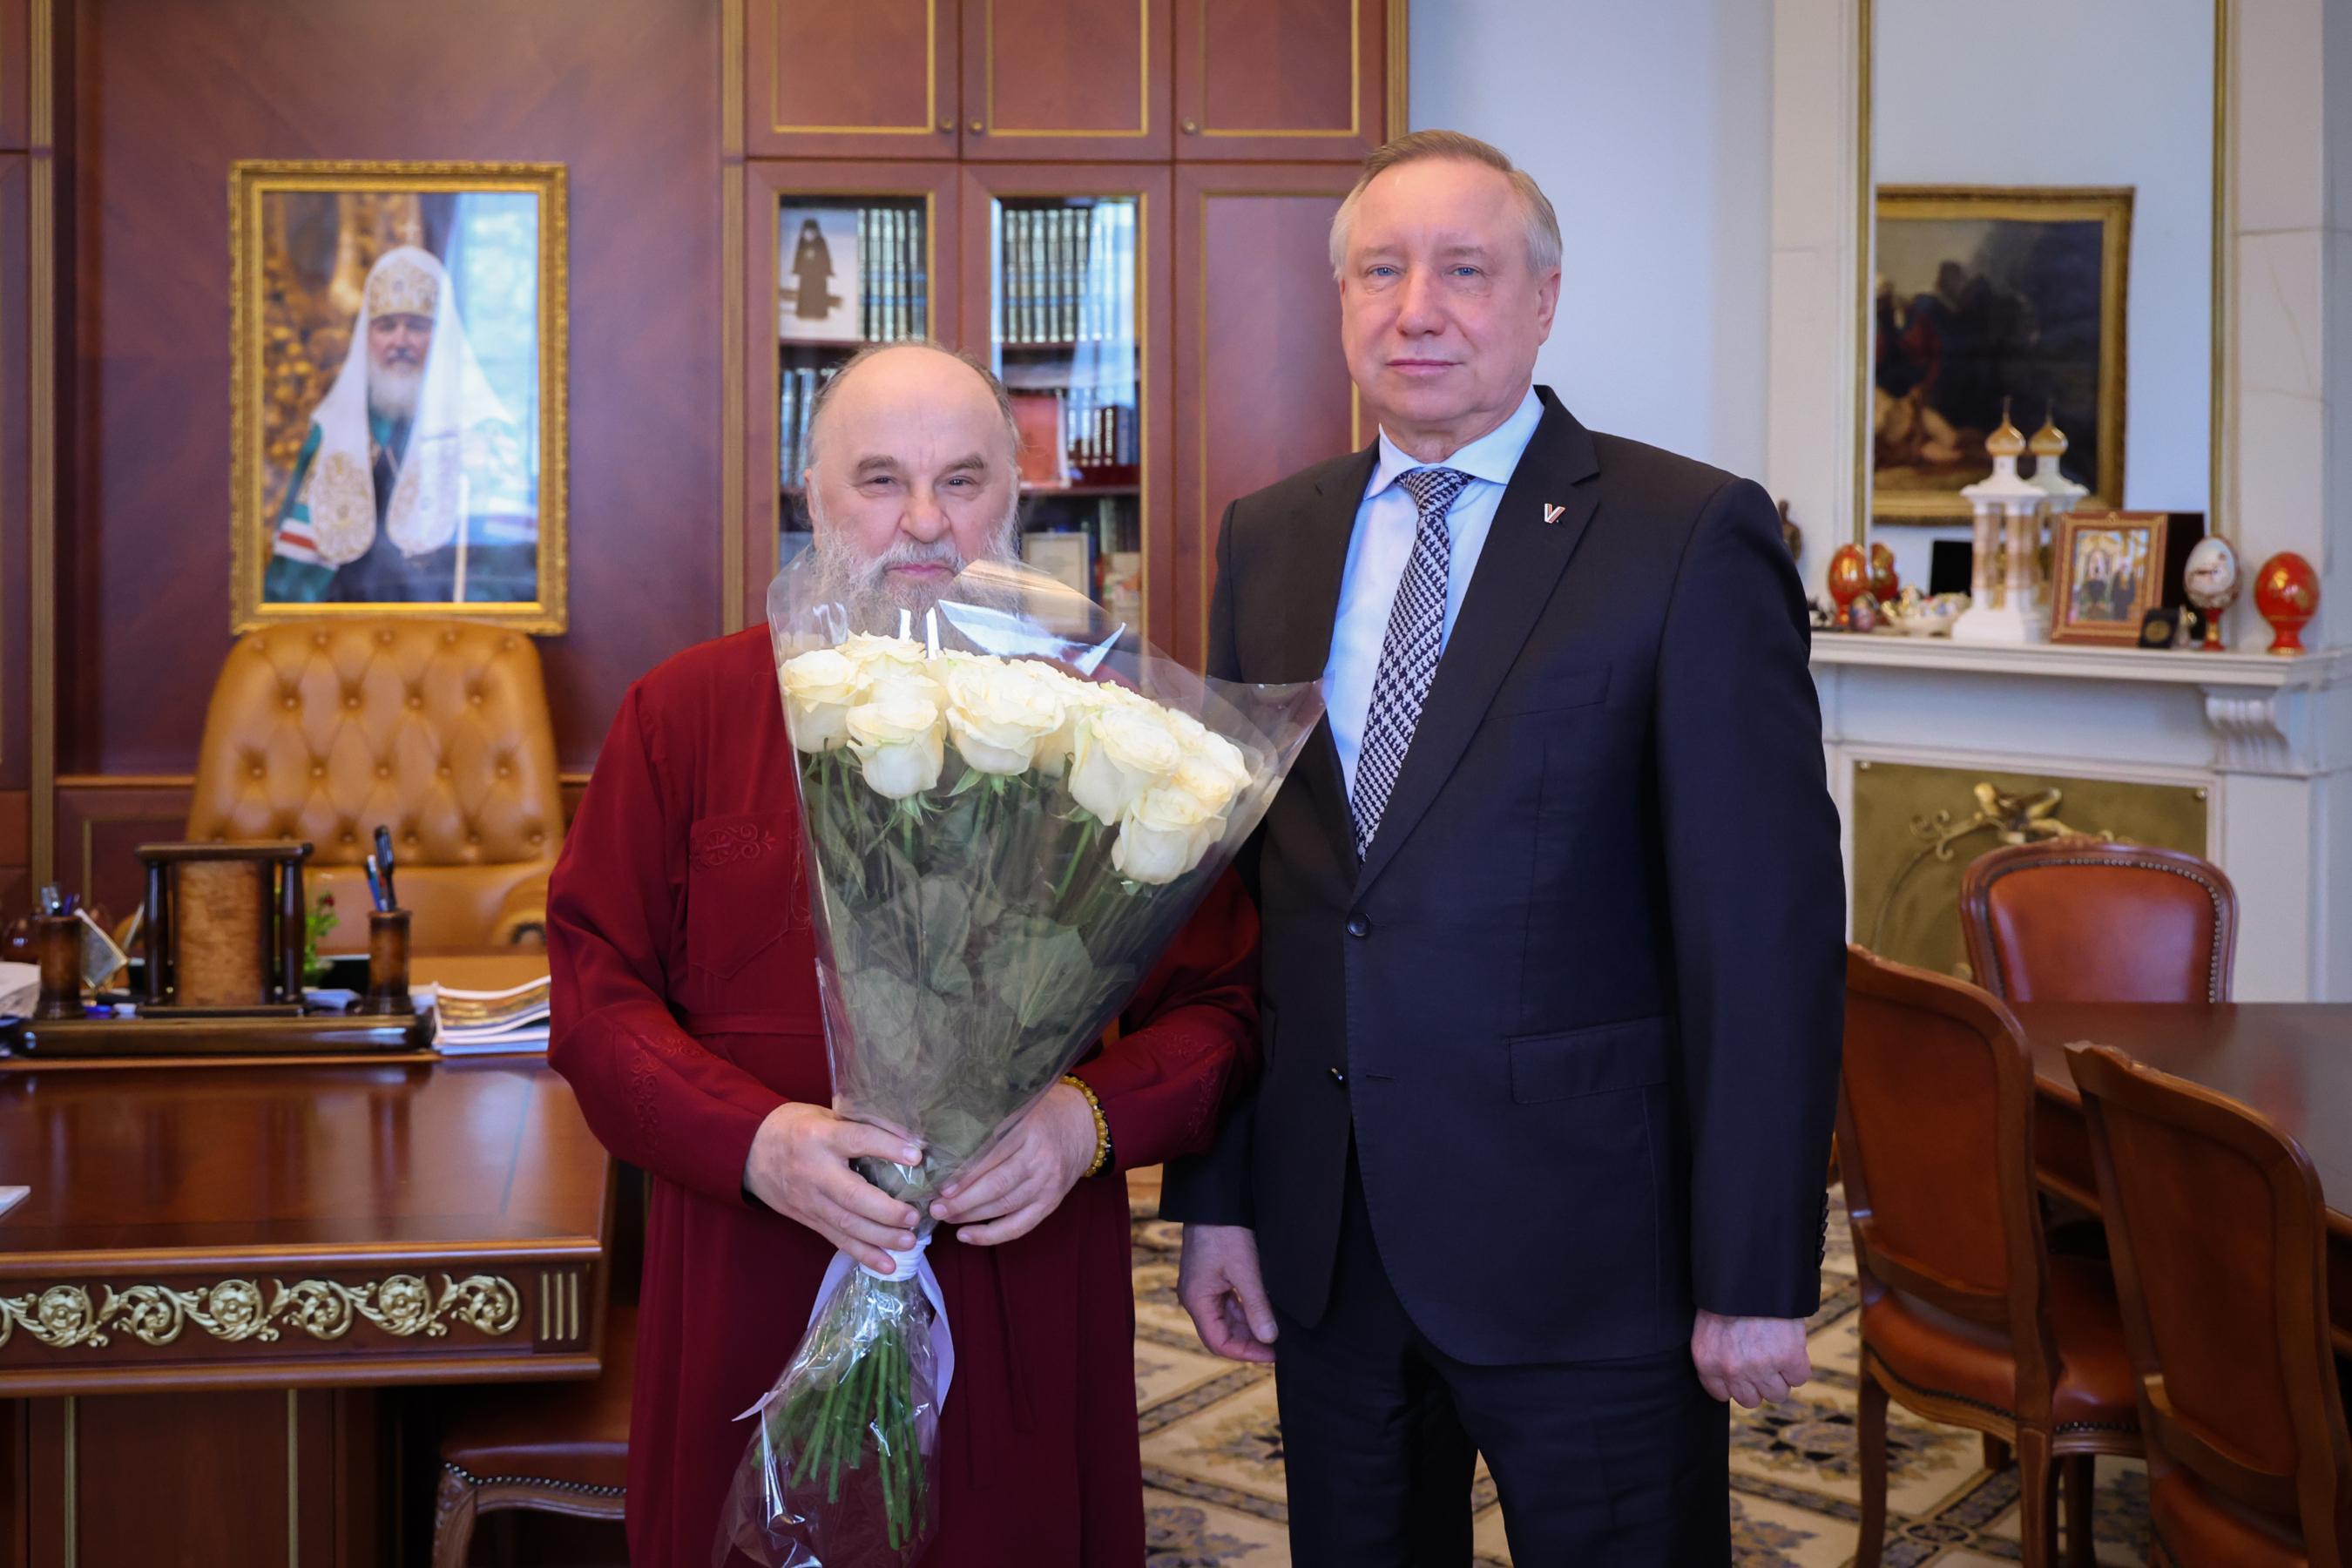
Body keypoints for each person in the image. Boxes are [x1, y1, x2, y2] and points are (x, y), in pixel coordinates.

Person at [1161, 131, 1845, 1565]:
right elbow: (1238, 907)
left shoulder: (1686, 535)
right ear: (1342, 301)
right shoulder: (1267, 539)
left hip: (1594, 1260)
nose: (1418, 309)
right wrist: (1218, 1205)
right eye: (1381, 271)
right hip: (1333, 1247)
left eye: (1464, 271)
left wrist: (1757, 1265)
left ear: (1543, 300)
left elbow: (1762, 932)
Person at [548, 341, 1260, 1567]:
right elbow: (594, 996)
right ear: (813, 495)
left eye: (962, 481)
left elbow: (1223, 1008)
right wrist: (752, 1140)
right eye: (880, 479)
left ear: (1015, 500)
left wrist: (1081, 1126)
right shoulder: (684, 713)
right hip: (755, 1257)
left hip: (1015, 1267)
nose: (924, 522)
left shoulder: (1118, 733)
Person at [265, 244, 536, 605]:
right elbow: (293, 578)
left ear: (441, 336)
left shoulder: (484, 433)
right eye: (386, 326)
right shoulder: (332, 435)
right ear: (367, 337)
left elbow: (505, 570)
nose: (400, 341)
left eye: (417, 326)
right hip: (349, 625)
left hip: (450, 622)